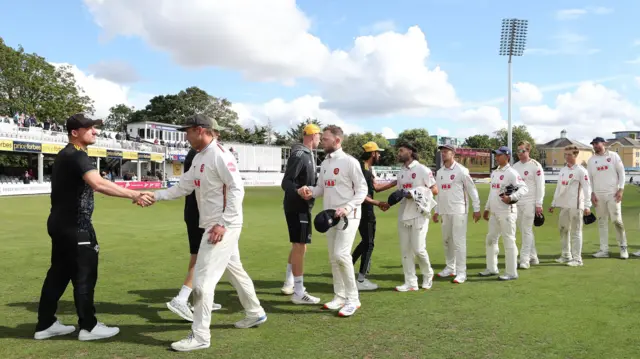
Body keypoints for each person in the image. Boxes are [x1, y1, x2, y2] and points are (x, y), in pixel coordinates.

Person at [142, 114, 267, 352]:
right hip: (213, 223)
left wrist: (223, 223)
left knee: (202, 282)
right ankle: (255, 312)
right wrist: (154, 196)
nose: (185, 136)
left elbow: (236, 190)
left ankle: (200, 335)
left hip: (221, 226)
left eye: (187, 131)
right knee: (235, 271)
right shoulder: (200, 157)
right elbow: (183, 187)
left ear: (200, 130)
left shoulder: (220, 155)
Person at [34, 114, 152, 341]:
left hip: (59, 224)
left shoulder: (64, 155)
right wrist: (135, 194)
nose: (95, 131)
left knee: (58, 275)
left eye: (94, 128)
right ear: (74, 132)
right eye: (89, 128)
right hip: (76, 226)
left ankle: (45, 324)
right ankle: (89, 326)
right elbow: (98, 183)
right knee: (85, 276)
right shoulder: (77, 156)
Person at [298, 125, 367, 317]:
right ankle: (339, 296)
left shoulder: (350, 162)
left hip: (348, 216)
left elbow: (362, 190)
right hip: (329, 217)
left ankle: (353, 299)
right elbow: (321, 188)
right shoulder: (326, 163)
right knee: (333, 258)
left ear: (337, 141)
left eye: (326, 139)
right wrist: (310, 191)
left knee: (341, 255)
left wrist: (347, 207)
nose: (323, 142)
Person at [166, 147, 222, 322]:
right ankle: (182, 298)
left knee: (206, 257)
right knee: (201, 257)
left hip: (196, 211)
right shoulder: (200, 154)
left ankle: (200, 298)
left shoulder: (198, 154)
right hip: (200, 212)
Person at [280, 123, 322, 304]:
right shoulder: (301, 154)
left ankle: (290, 283)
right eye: (319, 136)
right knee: (299, 246)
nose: (320, 139)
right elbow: (286, 182)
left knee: (299, 245)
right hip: (297, 207)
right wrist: (298, 191)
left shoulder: (308, 154)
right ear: (313, 136)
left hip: (301, 207)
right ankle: (298, 291)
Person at [432, 144, 481, 284]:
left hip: (459, 210)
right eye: (442, 152)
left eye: (446, 152)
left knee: (459, 242)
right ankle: (450, 267)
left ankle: (461, 273)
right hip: (445, 211)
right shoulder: (440, 172)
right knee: (447, 240)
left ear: (453, 154)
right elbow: (438, 193)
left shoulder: (462, 170)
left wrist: (476, 209)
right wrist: (436, 210)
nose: (443, 154)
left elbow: (472, 190)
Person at [351, 141, 396, 291]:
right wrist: (377, 203)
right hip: (365, 209)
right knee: (369, 243)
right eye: (378, 152)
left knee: (365, 242)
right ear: (372, 154)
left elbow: (375, 187)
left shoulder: (367, 168)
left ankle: (346, 271)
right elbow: (361, 195)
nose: (380, 155)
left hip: (363, 209)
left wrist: (394, 183)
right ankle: (360, 279)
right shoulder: (363, 170)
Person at [394, 143, 438, 291]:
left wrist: (414, 193)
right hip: (404, 213)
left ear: (410, 151)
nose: (398, 153)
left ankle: (428, 274)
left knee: (418, 249)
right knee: (405, 250)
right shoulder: (400, 172)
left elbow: (435, 190)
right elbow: (400, 193)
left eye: (401, 150)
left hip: (419, 213)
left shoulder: (422, 169)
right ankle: (411, 282)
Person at [480, 146, 528, 281]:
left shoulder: (512, 172)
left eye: (499, 155)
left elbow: (524, 188)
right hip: (495, 212)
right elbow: (492, 192)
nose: (497, 157)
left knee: (508, 241)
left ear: (507, 156)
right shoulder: (495, 172)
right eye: (496, 155)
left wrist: (511, 198)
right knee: (490, 239)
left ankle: (512, 272)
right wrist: (487, 208)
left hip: (507, 211)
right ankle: (491, 268)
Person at [587, 137, 630, 259]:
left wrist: (621, 189)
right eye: (593, 144)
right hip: (598, 195)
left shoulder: (613, 156)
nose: (595, 146)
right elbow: (590, 179)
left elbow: (621, 173)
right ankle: (604, 250)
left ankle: (623, 247)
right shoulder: (591, 160)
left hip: (613, 193)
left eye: (597, 143)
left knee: (617, 221)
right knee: (602, 222)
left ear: (604, 143)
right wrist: (592, 193)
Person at [549, 145, 592, 266]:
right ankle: (566, 255)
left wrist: (588, 205)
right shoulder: (563, 170)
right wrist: (554, 202)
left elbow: (587, 188)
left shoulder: (581, 171)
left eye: (569, 155)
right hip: (564, 205)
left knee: (576, 231)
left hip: (576, 205)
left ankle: (577, 259)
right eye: (565, 155)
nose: (567, 157)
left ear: (575, 155)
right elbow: (559, 188)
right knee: (563, 230)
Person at [512, 141, 545, 268]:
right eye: (518, 151)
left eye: (523, 151)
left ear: (528, 151)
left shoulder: (535, 165)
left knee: (526, 230)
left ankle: (524, 259)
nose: (520, 153)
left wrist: (539, 203)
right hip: (517, 202)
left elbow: (540, 185)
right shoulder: (515, 167)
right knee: (524, 230)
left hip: (530, 202)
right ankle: (533, 256)